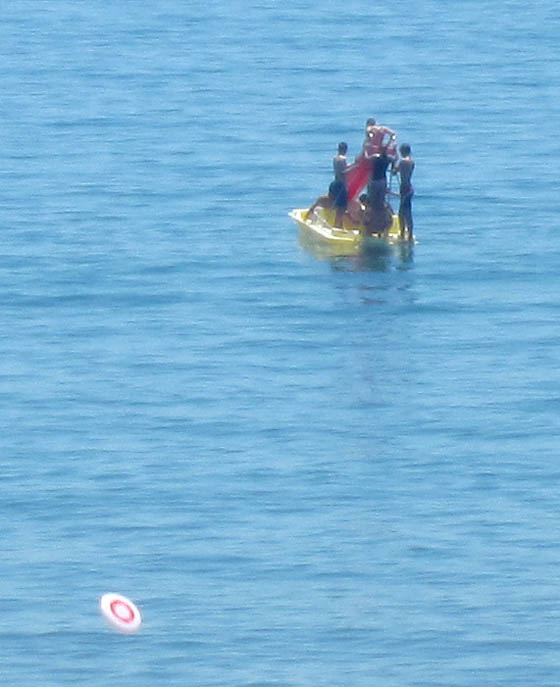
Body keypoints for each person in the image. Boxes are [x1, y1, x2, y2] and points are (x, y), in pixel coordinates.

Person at [306, 142, 348, 227]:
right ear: (345, 150)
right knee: (341, 207)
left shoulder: (335, 158)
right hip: (341, 185)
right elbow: (344, 171)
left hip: (335, 183)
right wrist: (355, 167)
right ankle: (337, 226)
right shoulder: (343, 159)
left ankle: (310, 211)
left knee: (330, 199)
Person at [392, 143, 415, 241]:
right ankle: (410, 234)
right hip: (409, 187)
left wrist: (394, 162)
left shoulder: (402, 161)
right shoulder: (412, 162)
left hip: (404, 188)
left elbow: (394, 171)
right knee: (408, 212)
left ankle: (402, 234)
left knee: (402, 213)